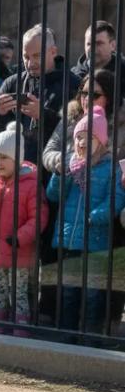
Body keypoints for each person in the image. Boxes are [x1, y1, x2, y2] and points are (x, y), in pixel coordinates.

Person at [46, 106, 125, 333]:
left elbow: (115, 199)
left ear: (101, 141)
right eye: (78, 138)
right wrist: (59, 175)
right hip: (69, 239)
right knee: (68, 292)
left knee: (92, 294)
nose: (81, 143)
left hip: (94, 239)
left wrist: (95, 216)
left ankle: (91, 336)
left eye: (88, 138)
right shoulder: (70, 165)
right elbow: (53, 196)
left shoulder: (111, 168)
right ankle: (67, 334)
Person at [0, 123, 49, 337]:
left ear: (17, 158)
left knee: (19, 295)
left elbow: (39, 217)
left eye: (4, 157)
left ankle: (20, 332)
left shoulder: (31, 184)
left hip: (19, 253)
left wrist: (20, 237)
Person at [0, 24, 80, 165]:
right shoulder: (12, 82)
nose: (30, 63)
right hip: (15, 167)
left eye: (37, 56)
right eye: (26, 56)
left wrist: (42, 115)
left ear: (53, 52)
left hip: (53, 168)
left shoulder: (73, 84)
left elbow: (77, 131)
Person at [71, 21, 125, 101]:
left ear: (113, 45)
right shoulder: (73, 75)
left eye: (99, 43)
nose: (93, 48)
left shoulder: (122, 73)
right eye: (89, 44)